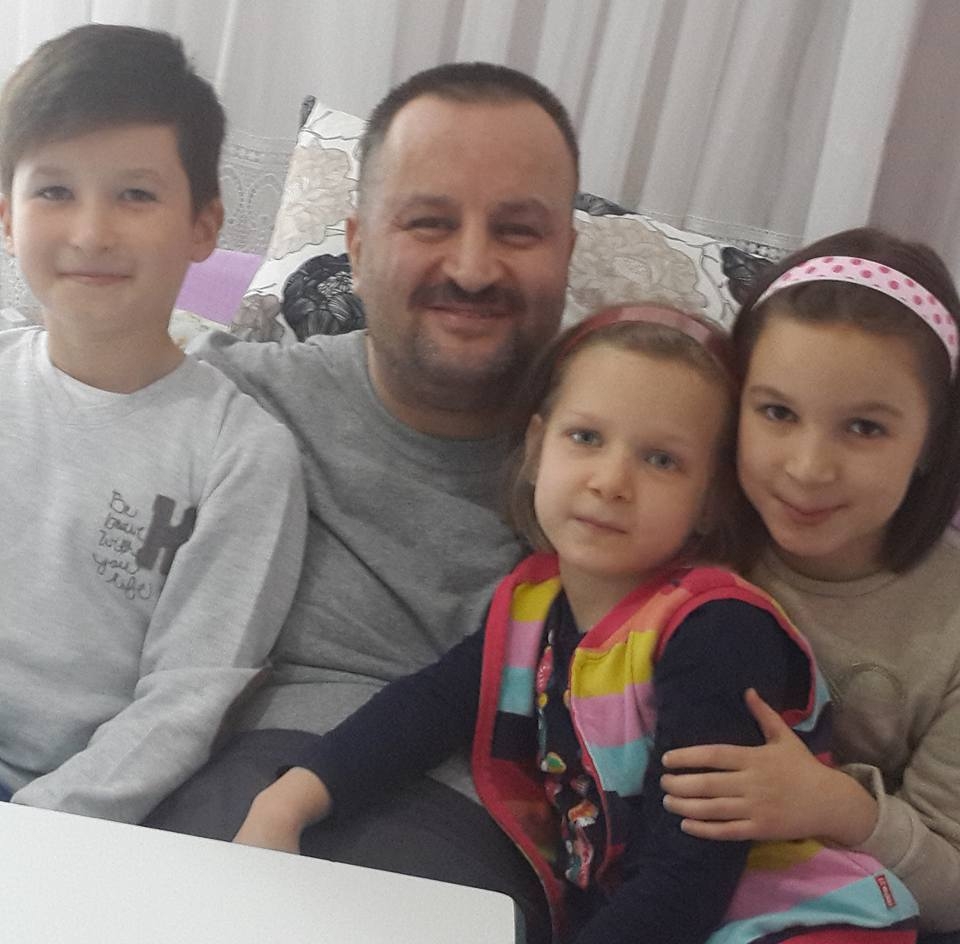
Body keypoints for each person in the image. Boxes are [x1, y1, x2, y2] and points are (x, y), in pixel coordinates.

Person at [233, 305, 917, 944]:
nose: (610, 481)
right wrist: (289, 801)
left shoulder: (717, 631)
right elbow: (430, 706)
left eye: (661, 459)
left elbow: (689, 876)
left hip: (801, 924)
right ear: (538, 448)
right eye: (586, 437)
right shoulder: (534, 604)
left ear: (710, 498)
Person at [143, 61, 578, 930]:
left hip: (477, 846)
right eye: (429, 222)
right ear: (356, 242)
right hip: (219, 810)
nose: (472, 267)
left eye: (518, 230)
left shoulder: (639, 462)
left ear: (568, 252)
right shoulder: (230, 406)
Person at [0, 24, 307, 824]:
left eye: (135, 195)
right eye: (53, 191)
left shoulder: (241, 455)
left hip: (58, 817)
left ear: (204, 224)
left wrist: (30, 834)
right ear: (7, 217)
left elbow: (182, 705)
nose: (91, 232)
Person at [659, 228, 960, 940]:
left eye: (864, 428)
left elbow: (952, 891)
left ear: (931, 441)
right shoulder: (679, 527)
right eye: (777, 413)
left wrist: (839, 807)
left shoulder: (948, 626)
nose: (807, 467)